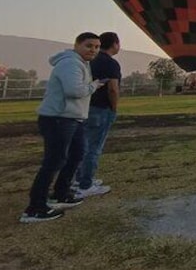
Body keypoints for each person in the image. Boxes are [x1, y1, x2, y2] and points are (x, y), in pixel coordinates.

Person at [20, 33, 106, 223]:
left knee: (77, 155)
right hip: (59, 119)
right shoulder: (70, 63)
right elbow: (74, 90)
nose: (93, 50)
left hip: (73, 119)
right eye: (89, 45)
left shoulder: (83, 64)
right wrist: (94, 85)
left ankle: (61, 193)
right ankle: (35, 208)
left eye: (97, 47)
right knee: (54, 161)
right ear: (76, 45)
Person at [75, 32, 121, 198]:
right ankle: (86, 185)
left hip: (85, 107)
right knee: (94, 148)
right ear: (115, 44)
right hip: (101, 109)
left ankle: (78, 179)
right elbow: (113, 89)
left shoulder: (88, 61)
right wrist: (114, 108)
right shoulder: (111, 64)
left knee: (83, 145)